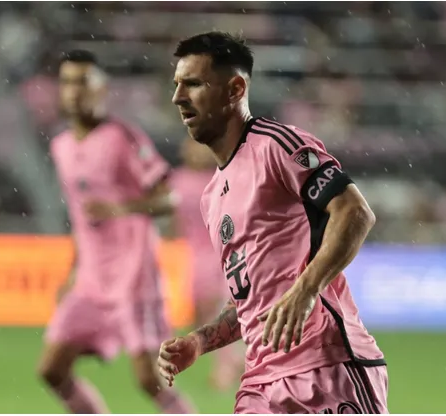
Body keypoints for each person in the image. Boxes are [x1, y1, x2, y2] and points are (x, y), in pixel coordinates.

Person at [158, 32, 389, 414]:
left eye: (194, 84)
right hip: (259, 382)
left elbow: (355, 212)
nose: (178, 97)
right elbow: (249, 300)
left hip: (324, 365)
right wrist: (200, 341)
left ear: (235, 89)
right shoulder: (211, 197)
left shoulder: (274, 145)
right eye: (177, 84)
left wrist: (306, 289)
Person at [38, 49, 194, 414]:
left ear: (101, 89)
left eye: (83, 82)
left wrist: (121, 209)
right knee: (52, 370)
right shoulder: (61, 146)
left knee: (149, 380)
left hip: (133, 276)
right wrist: (73, 271)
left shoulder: (123, 137)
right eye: (67, 82)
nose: (74, 91)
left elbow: (168, 197)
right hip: (91, 280)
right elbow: (80, 219)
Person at [168, 138, 244, 390]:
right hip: (194, 253)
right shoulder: (177, 179)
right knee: (202, 312)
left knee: (220, 308)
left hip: (221, 250)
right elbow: (176, 220)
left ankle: (225, 369)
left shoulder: (222, 177)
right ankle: (234, 361)